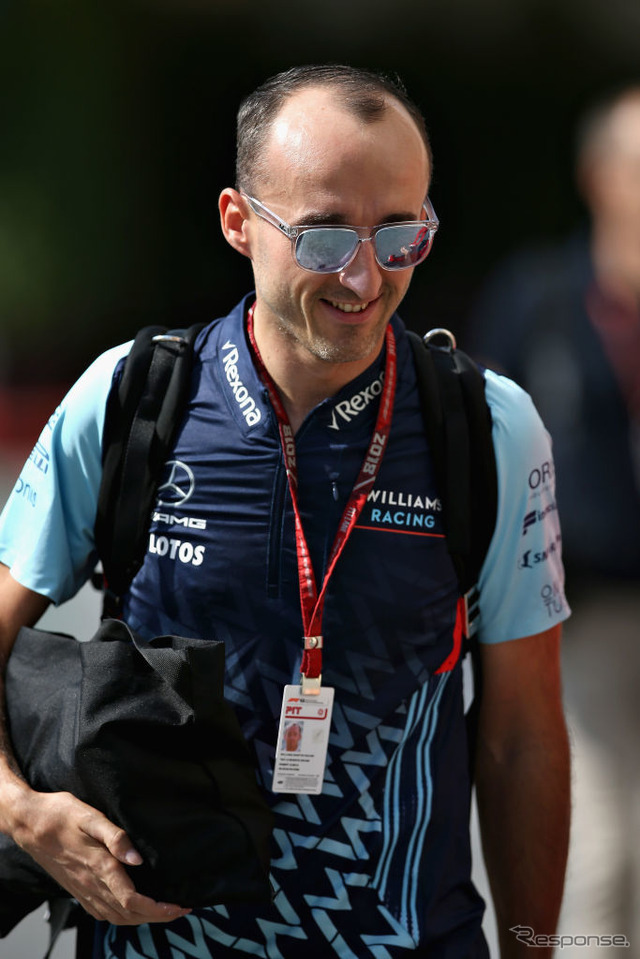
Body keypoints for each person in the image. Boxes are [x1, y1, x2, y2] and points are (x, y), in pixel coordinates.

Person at [0, 65, 570, 958]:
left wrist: (536, 949)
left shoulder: (488, 424)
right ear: (238, 222)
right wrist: (21, 811)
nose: (365, 276)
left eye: (400, 234)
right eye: (324, 237)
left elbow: (522, 738)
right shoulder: (131, 396)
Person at [467, 86, 640, 948]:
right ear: (598, 176)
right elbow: (486, 441)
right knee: (603, 844)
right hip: (584, 610)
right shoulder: (537, 297)